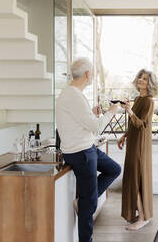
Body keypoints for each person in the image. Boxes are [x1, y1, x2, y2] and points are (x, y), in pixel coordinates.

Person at [56, 57, 121, 242]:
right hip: (81, 153)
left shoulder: (72, 94)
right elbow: (97, 128)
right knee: (89, 204)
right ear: (87, 74)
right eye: (93, 73)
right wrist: (111, 112)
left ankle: (83, 202)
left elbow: (79, 121)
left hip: (87, 148)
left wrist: (91, 114)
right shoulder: (73, 95)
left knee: (114, 169)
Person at [117, 69, 158, 230]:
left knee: (135, 179)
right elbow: (134, 123)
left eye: (146, 79)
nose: (141, 80)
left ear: (150, 84)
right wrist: (125, 135)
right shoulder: (138, 98)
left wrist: (129, 111)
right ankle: (140, 214)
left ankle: (142, 217)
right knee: (131, 178)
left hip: (140, 146)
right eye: (140, 77)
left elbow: (142, 125)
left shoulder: (149, 101)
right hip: (133, 143)